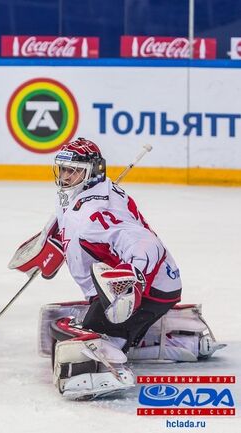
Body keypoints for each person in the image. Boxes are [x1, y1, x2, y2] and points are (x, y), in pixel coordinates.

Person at [11, 137, 225, 399]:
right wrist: (55, 240)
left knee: (89, 337)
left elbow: (147, 244)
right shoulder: (84, 193)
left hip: (148, 289)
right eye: (63, 169)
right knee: (79, 328)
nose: (65, 176)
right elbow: (69, 216)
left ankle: (142, 352)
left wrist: (130, 281)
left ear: (93, 172)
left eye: (73, 170)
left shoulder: (93, 215)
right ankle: (179, 338)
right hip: (149, 281)